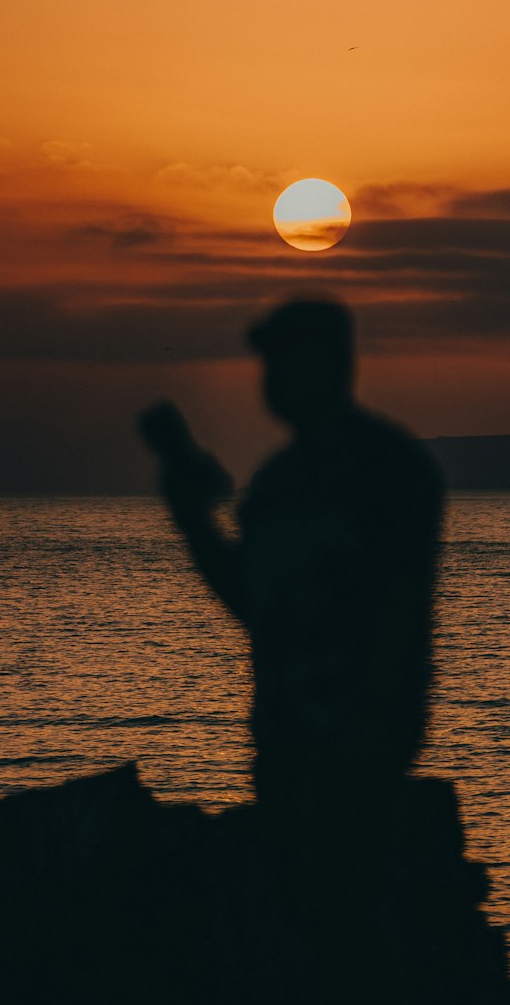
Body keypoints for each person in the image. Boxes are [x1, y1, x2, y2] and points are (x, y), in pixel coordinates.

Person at [139, 299, 444, 914]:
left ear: (334, 364)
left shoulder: (387, 468)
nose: (272, 378)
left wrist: (373, 731)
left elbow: (397, 608)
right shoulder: (278, 481)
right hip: (286, 746)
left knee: (351, 935)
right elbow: (256, 602)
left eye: (286, 360)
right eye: (269, 363)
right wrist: (191, 518)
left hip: (358, 744)